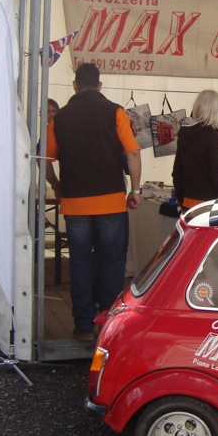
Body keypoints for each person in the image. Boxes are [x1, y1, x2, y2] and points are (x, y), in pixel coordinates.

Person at [47, 63, 143, 341]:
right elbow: (133, 154)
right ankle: (108, 322)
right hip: (111, 201)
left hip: (75, 203)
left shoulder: (59, 118)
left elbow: (46, 160)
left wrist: (58, 186)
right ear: (100, 86)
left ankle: (83, 324)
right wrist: (136, 189)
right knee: (112, 262)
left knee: (79, 263)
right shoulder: (116, 112)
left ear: (75, 85)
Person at [172, 89, 218, 210]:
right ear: (217, 111)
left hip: (189, 202)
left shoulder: (185, 133)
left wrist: (182, 200)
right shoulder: (213, 135)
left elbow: (177, 173)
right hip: (209, 204)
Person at [45, 98, 61, 194]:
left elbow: (44, 161)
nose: (51, 114)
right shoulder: (45, 132)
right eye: (48, 111)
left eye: (53, 111)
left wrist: (56, 186)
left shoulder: (61, 130)